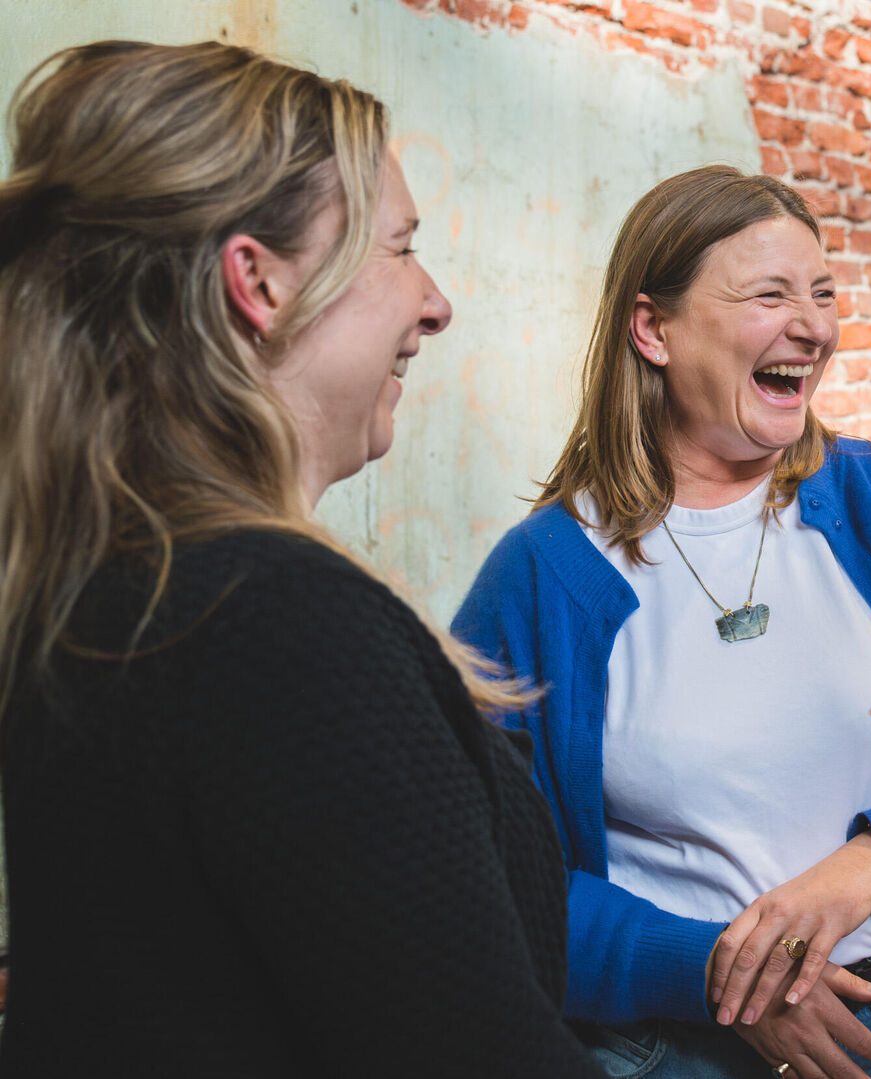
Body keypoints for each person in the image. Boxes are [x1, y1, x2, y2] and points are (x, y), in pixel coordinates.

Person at [0, 41, 602, 1077]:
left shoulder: (104, 576)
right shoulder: (275, 625)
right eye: (401, 247)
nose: (436, 302)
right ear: (261, 282)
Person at [452, 165, 871, 1079]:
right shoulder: (544, 573)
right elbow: (488, 869)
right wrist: (722, 977)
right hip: (663, 1050)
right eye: (770, 294)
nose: (812, 326)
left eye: (822, 293)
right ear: (654, 329)